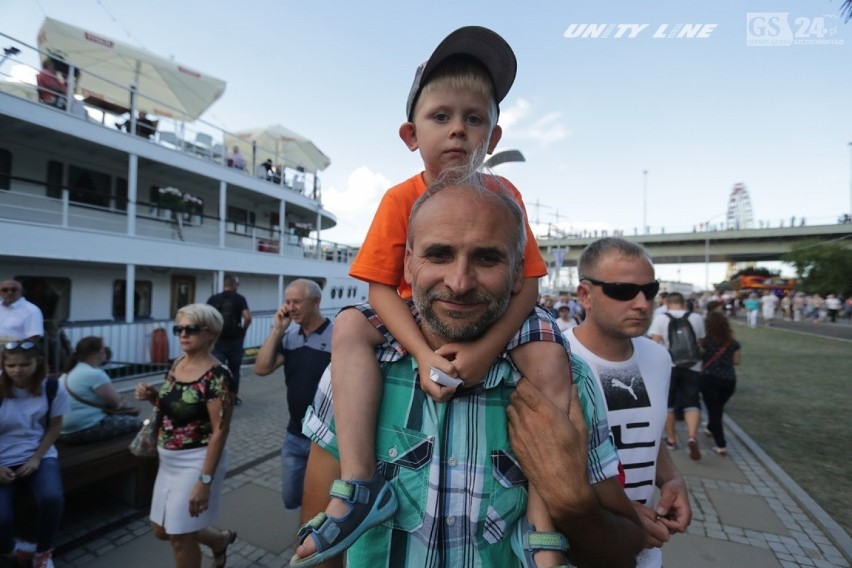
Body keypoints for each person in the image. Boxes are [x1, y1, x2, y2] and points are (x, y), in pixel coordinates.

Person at [312, 26, 577, 568]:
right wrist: (420, 352)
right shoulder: (399, 198)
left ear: (493, 137)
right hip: (418, 321)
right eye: (441, 117)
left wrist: (486, 351)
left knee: (551, 355)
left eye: (473, 119)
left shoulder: (507, 196)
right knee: (347, 327)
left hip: (493, 320)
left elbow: (527, 282)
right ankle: (359, 484)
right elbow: (382, 286)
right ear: (411, 135)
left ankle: (544, 525)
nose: (458, 130)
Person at [295, 178, 643, 567]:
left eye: (488, 258)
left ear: (517, 274)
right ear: (408, 264)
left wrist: (573, 501)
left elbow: (626, 548)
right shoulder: (355, 372)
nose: (459, 283)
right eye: (439, 255)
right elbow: (323, 542)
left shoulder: (570, 379)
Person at [565, 238, 691, 567]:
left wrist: (672, 479)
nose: (641, 303)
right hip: (575, 550)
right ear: (585, 295)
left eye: (650, 290)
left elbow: (639, 431)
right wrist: (620, 512)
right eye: (622, 291)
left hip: (644, 553)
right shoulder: (554, 359)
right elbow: (539, 467)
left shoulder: (657, 357)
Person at [133, 304, 237, 568]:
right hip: (168, 460)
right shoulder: (177, 363)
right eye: (178, 328)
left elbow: (220, 431)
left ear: (210, 333)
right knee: (161, 529)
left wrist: (204, 481)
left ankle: (209, 542)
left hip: (196, 460)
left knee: (180, 537)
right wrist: (153, 397)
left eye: (190, 329)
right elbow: (171, 409)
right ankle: (218, 541)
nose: (182, 334)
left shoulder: (218, 376)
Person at [253, 279, 332, 511]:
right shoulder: (289, 338)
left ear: (316, 302)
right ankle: (301, 532)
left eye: (296, 302)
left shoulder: (337, 336)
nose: (290, 307)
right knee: (291, 498)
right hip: (294, 435)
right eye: (287, 302)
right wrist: (278, 329)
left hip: (325, 436)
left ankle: (311, 541)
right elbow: (261, 368)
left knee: (321, 501)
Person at [0, 339, 69, 568]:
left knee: (52, 497)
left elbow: (55, 425)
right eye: (11, 366)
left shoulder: (51, 387)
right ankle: (13, 551)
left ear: (36, 363)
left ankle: (43, 552)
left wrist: (37, 457)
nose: (17, 370)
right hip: (2, 458)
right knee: (3, 518)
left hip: (37, 452)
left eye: (24, 365)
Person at [649, 292, 706, 460]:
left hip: (669, 365)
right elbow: (701, 342)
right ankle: (692, 436)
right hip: (693, 365)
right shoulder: (696, 318)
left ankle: (672, 439)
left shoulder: (660, 318)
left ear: (667, 302)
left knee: (669, 403)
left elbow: (655, 342)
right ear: (683, 303)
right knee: (692, 402)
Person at [59, 336, 143, 444]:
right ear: (94, 353)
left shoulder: (68, 373)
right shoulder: (95, 374)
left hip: (62, 431)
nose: (105, 351)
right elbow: (117, 403)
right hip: (82, 429)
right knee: (137, 423)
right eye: (103, 348)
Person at [700, 311, 741, 456]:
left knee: (714, 410)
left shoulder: (705, 341)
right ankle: (711, 428)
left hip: (709, 378)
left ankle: (721, 443)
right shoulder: (733, 343)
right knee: (718, 408)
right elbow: (737, 361)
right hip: (729, 380)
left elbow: (699, 355)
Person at [207, 275, 252, 405]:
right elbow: (247, 317)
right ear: (234, 285)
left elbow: (206, 318)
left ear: (224, 285)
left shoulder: (213, 299)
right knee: (234, 371)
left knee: (217, 371)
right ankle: (233, 398)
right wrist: (243, 330)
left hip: (217, 341)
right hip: (235, 341)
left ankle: (217, 398)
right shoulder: (240, 298)